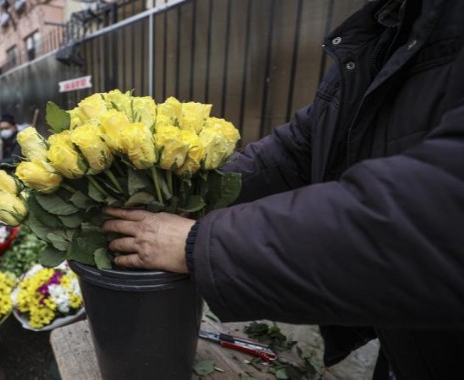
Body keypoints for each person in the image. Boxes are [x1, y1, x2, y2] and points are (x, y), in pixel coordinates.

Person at [102, 0, 464, 378]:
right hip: (413, 344)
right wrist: (195, 193)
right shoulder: (394, 24)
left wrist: (199, 245)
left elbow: (436, 215)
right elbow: (301, 147)